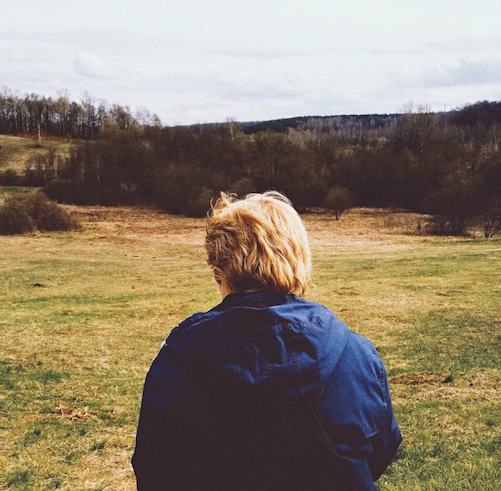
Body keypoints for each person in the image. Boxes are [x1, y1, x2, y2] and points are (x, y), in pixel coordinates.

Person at [132, 191, 401, 490]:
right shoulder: (357, 354)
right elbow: (380, 451)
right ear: (299, 262)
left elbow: (153, 468)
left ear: (218, 272)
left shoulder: (178, 360)